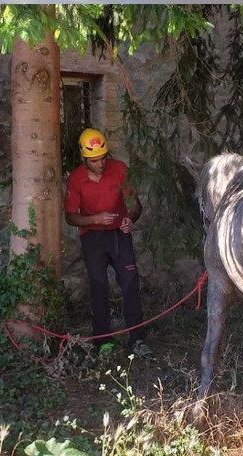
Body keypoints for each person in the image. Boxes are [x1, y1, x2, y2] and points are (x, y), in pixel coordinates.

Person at [64, 128, 151, 357]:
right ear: (85, 159)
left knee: (130, 281)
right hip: (92, 237)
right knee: (98, 284)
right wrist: (95, 219)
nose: (100, 164)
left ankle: (137, 339)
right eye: (94, 160)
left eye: (103, 157)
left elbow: (135, 205)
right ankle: (103, 341)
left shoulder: (120, 170)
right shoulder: (76, 179)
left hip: (119, 235)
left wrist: (129, 220)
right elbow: (70, 216)